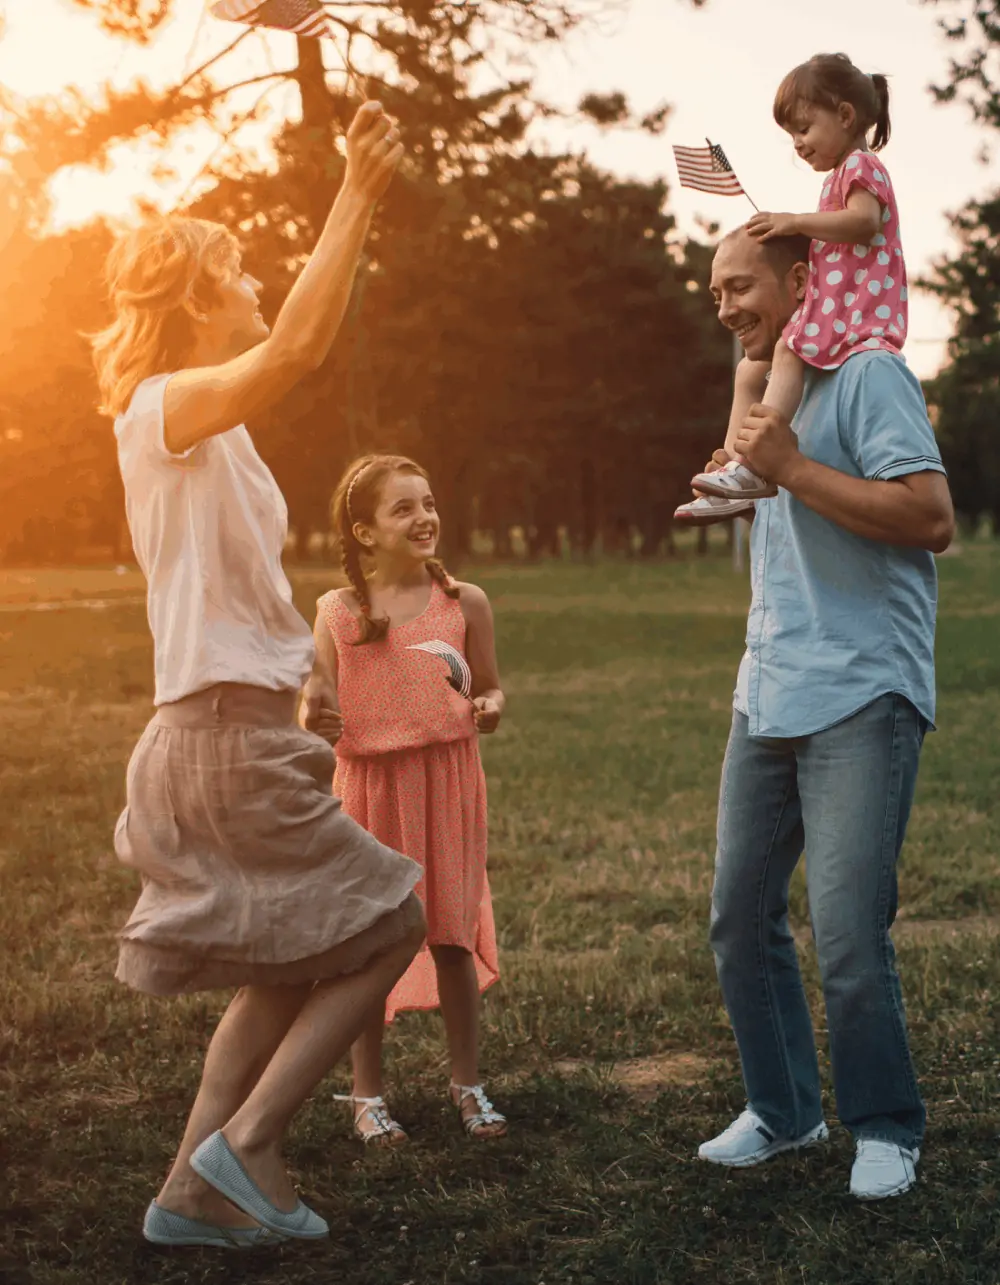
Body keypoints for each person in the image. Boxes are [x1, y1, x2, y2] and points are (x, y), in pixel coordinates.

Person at [91, 102, 428, 1250]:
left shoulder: (207, 429)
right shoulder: (162, 410)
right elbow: (295, 345)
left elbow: (287, 349)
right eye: (238, 275)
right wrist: (356, 193)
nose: (255, 290)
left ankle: (190, 1191)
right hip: (219, 745)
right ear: (196, 301)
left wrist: (302, 670)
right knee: (389, 920)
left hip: (225, 730)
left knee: (293, 960)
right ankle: (250, 1139)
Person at [693, 224, 954, 1200]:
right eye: (714, 292)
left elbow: (931, 519)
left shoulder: (872, 371)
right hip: (769, 682)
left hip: (863, 685)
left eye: (741, 287)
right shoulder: (765, 387)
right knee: (738, 915)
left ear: (804, 280)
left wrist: (792, 467)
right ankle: (785, 1110)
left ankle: (884, 1124)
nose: (725, 307)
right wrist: (733, 487)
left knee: (845, 927)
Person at [308, 454, 507, 1145]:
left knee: (450, 932)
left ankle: (469, 1083)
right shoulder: (337, 613)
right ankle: (367, 1094)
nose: (424, 516)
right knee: (371, 946)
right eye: (403, 508)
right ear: (364, 532)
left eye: (428, 502)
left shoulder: (464, 603)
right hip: (370, 791)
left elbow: (489, 686)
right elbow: (317, 700)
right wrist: (316, 711)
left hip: (448, 781)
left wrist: (487, 704)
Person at [677, 52, 908, 526]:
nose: (798, 145)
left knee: (786, 351)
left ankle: (755, 466)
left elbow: (865, 222)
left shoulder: (863, 166)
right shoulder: (840, 179)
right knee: (748, 372)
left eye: (803, 130)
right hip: (837, 305)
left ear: (845, 115)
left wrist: (796, 221)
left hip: (858, 311)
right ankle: (735, 470)